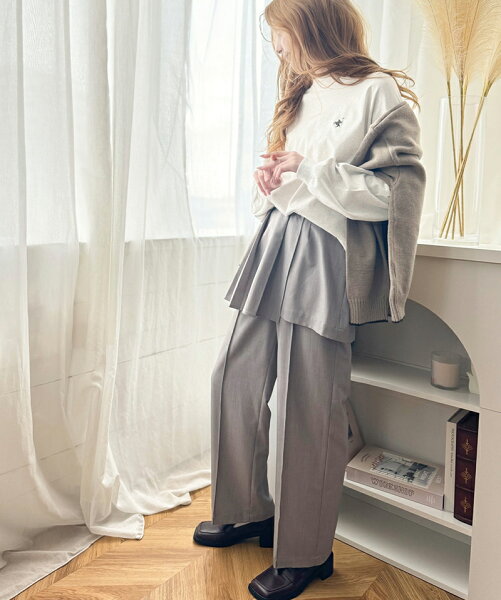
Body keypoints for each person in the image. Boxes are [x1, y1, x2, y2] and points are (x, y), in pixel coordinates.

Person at [193, 1, 426, 599]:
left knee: (309, 403)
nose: (276, 48)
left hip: (326, 251)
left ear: (313, 26)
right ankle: (248, 510)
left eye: (281, 34)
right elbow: (289, 180)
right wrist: (272, 178)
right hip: (274, 241)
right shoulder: (298, 99)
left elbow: (395, 194)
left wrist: (310, 169)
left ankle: (306, 551)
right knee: (233, 376)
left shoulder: (376, 93)